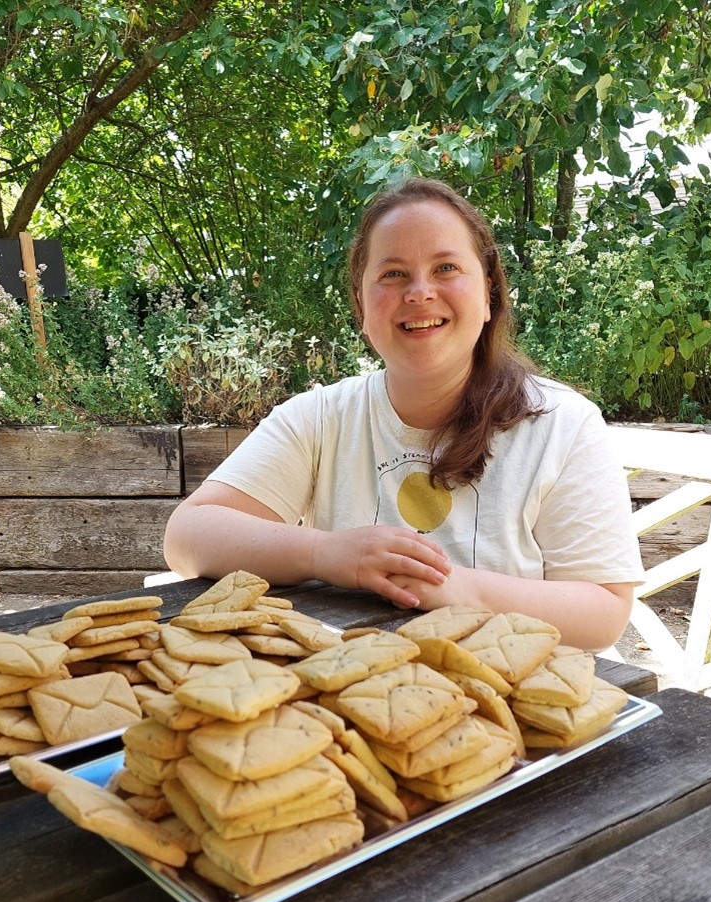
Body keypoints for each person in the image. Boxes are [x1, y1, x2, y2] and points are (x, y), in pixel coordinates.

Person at [163, 177, 644, 650]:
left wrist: (453, 587)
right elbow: (186, 537)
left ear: (490, 294)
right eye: (392, 274)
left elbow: (603, 613)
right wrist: (324, 553)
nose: (419, 293)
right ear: (361, 304)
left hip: (512, 704)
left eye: (446, 268)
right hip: (349, 697)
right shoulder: (319, 417)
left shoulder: (563, 425)